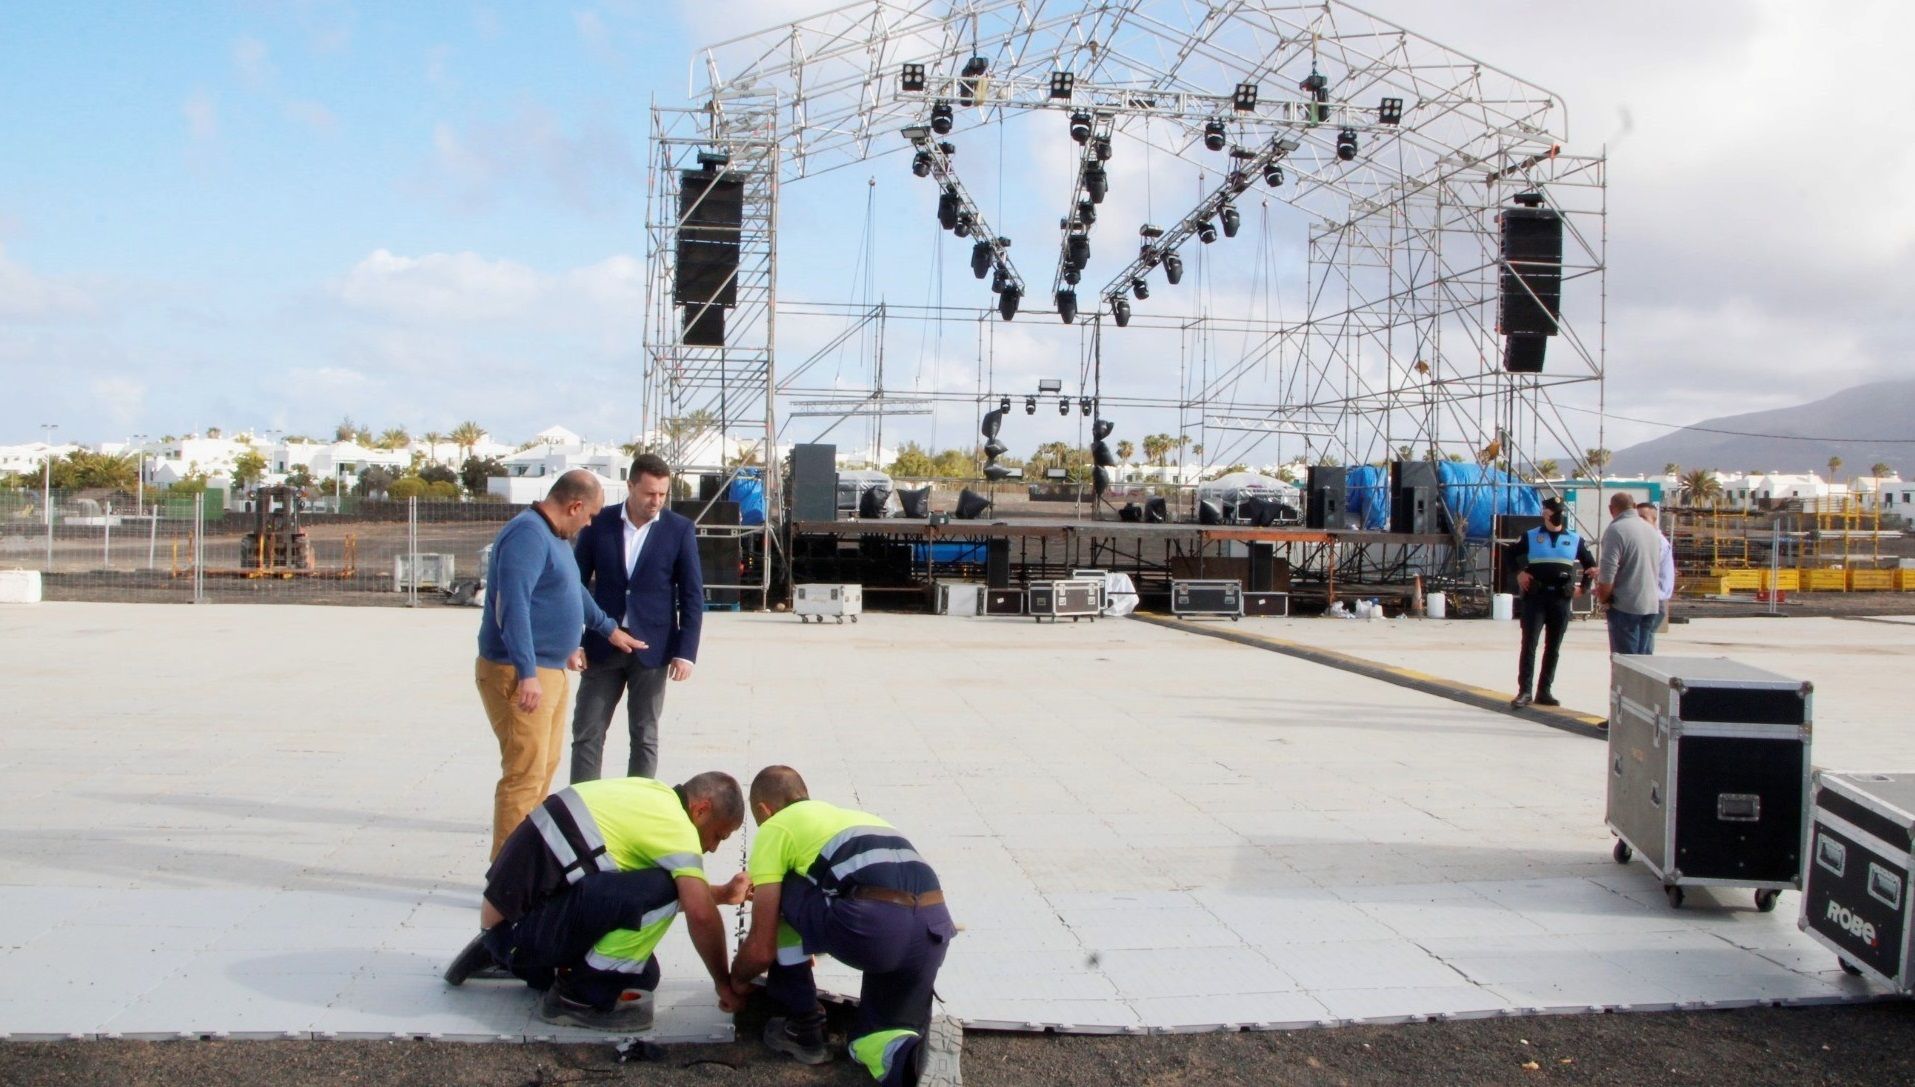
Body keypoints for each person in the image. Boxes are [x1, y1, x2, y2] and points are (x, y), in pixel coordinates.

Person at [443, 772, 752, 1031]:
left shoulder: (651, 795)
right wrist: (723, 983)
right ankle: (576, 999)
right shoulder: (678, 831)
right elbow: (697, 912)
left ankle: (508, 957)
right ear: (701, 810)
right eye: (718, 836)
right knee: (664, 890)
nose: (712, 848)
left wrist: (723, 894)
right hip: (518, 929)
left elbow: (648, 892)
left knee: (643, 975)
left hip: (511, 916)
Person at [729, 766, 956, 1086]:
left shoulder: (776, 827)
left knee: (778, 890)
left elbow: (762, 944)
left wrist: (736, 981)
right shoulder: (859, 819)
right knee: (876, 1037)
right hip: (933, 927)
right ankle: (914, 1058)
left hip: (875, 926)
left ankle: (804, 1026)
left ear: (765, 810)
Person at [476, 470, 643, 859]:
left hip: (548, 670)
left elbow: (572, 591)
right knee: (524, 775)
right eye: (590, 515)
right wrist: (528, 671)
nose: (590, 523)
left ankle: (526, 866)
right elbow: (511, 606)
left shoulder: (555, 536)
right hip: (520, 672)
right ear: (574, 505)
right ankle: (505, 882)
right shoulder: (527, 536)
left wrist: (607, 630)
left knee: (543, 771)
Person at [569, 454, 705, 783]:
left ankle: (636, 809)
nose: (656, 501)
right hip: (602, 644)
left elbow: (691, 595)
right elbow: (574, 585)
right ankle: (583, 810)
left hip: (653, 649)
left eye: (662, 494)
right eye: (649, 494)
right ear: (630, 486)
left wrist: (685, 652)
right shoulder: (598, 523)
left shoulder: (679, 530)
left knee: (645, 736)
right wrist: (573, 641)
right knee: (588, 732)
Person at [1506, 496, 1595, 708]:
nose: (1556, 517)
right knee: (1529, 645)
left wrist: (1583, 587)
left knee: (1553, 647)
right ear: (1544, 513)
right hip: (1536, 598)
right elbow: (1509, 554)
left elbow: (1591, 565)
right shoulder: (1531, 536)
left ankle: (1544, 690)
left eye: (1558, 513)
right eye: (1552, 512)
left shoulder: (1574, 539)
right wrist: (1519, 573)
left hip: (1560, 600)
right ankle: (1524, 691)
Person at [1596, 491, 1664, 655]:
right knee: (1644, 665)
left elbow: (1608, 571)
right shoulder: (1651, 530)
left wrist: (1603, 597)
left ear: (1611, 509)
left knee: (1625, 665)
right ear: (1634, 506)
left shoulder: (1616, 530)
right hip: (1650, 604)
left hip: (1626, 606)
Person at [1637, 501, 1676, 625]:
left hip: (1654, 600)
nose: (1639, 522)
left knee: (1642, 640)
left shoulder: (1658, 542)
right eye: (1637, 518)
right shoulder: (1649, 539)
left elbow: (1644, 567)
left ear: (1654, 520)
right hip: (1649, 599)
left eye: (1643, 518)